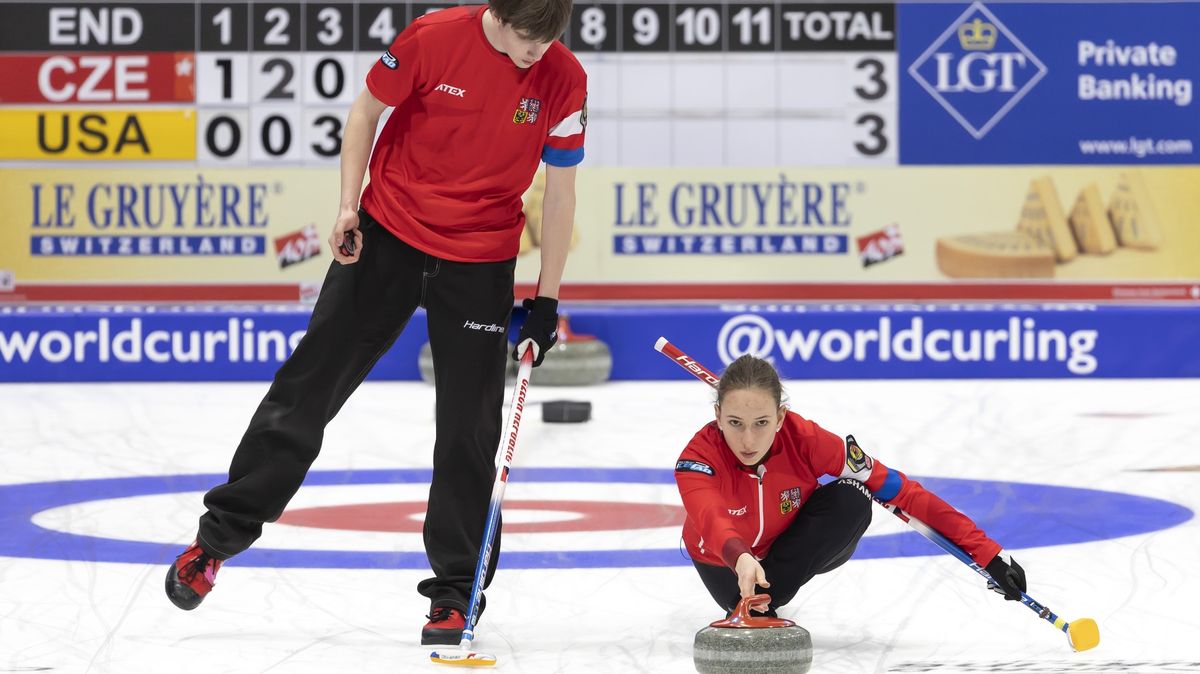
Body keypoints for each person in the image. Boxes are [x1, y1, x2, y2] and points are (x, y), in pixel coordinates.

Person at [164, 0, 587, 648]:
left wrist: (547, 300)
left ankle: (453, 597)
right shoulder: (432, 37)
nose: (537, 52)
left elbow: (560, 192)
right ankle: (216, 541)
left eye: (549, 39)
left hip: (480, 259)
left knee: (469, 433)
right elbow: (365, 112)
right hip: (388, 234)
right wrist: (343, 206)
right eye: (528, 38)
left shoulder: (564, 77)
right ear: (498, 14)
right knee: (306, 392)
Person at [675, 355, 1028, 617]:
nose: (748, 439)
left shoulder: (807, 440)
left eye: (762, 423)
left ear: (781, 417)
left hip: (793, 550)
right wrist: (740, 557)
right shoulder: (698, 459)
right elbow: (712, 519)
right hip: (725, 565)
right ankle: (755, 604)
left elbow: (900, 491)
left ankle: (768, 596)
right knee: (736, 571)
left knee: (853, 495)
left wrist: (988, 554)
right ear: (717, 416)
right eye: (735, 422)